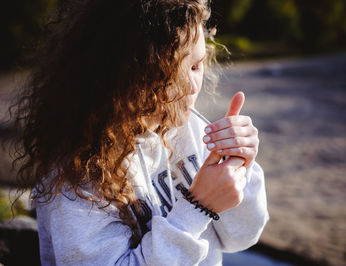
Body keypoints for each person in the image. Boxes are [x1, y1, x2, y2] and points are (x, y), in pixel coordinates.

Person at [10, 0, 268, 265]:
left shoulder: (192, 130)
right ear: (123, 76)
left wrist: (240, 166)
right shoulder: (76, 175)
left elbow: (241, 237)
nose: (191, 87)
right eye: (170, 73)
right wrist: (197, 207)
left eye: (195, 66)